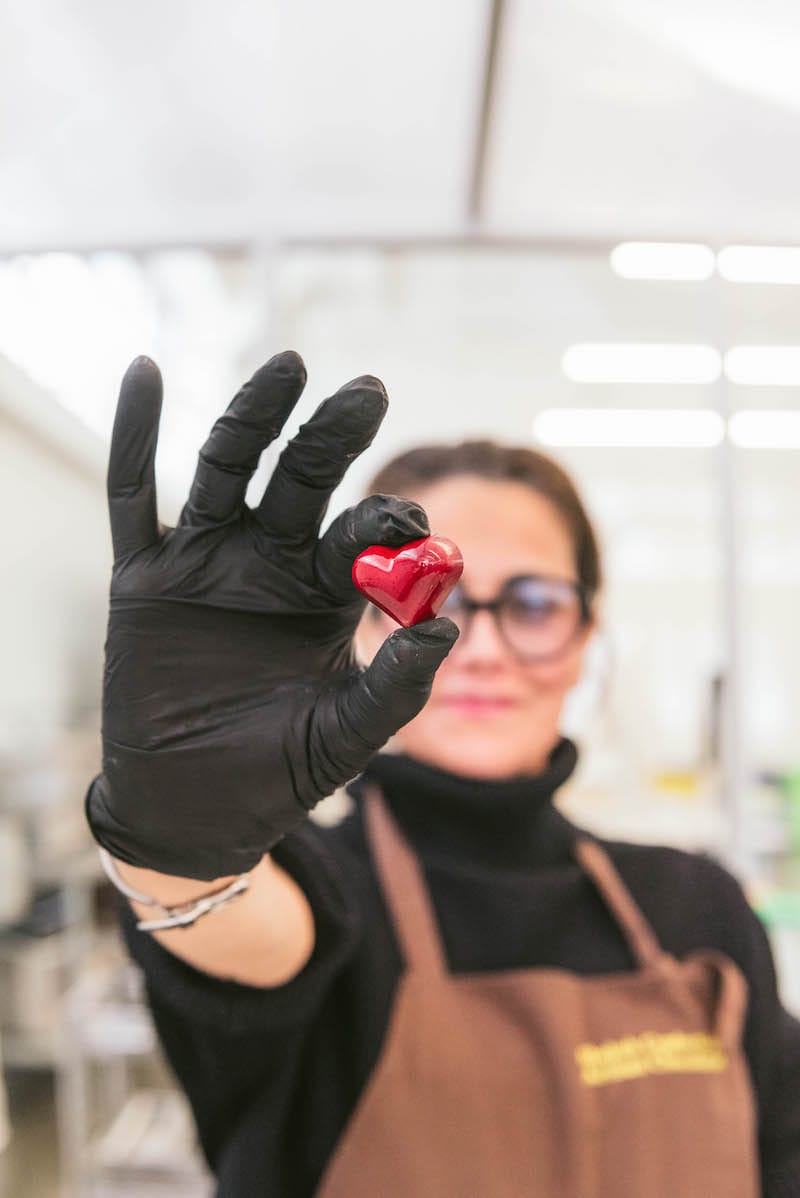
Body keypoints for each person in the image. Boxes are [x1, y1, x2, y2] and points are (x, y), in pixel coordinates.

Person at [86, 350, 800, 1197]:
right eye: (440, 599)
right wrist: (179, 836)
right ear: (357, 631)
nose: (482, 648)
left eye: (534, 603)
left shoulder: (701, 908)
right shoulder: (320, 892)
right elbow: (238, 923)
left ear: (586, 636)